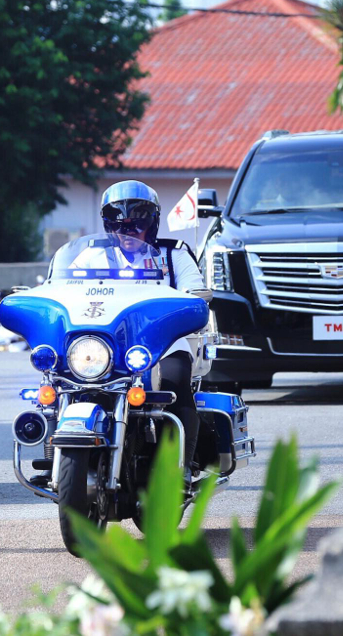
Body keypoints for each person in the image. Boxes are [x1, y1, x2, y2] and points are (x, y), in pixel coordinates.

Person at [56, 180, 205, 487]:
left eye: (137, 226)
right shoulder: (90, 257)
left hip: (163, 345)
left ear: (152, 224)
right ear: (109, 227)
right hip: (106, 346)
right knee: (59, 383)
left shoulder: (174, 255)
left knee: (175, 382)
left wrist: (193, 297)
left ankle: (183, 465)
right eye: (120, 227)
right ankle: (59, 448)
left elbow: (196, 293)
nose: (129, 234)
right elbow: (63, 290)